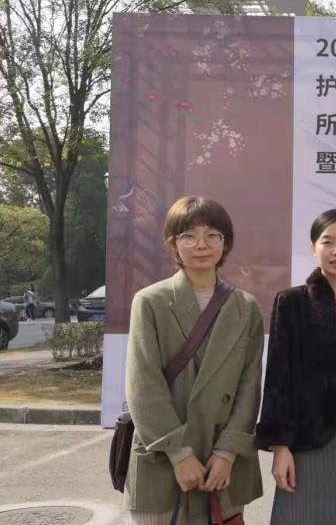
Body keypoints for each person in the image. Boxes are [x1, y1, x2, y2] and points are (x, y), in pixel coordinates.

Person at [124, 197, 264, 524]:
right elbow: (143, 385)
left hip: (222, 466)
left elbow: (250, 388)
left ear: (225, 243)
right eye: (188, 236)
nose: (201, 245)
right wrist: (179, 454)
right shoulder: (150, 302)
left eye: (212, 235)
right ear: (173, 245)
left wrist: (227, 452)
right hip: (163, 458)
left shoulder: (246, 307)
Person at [256, 209, 336, 524]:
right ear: (313, 247)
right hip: (308, 439)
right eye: (327, 242)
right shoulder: (292, 303)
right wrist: (280, 446)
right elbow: (277, 379)